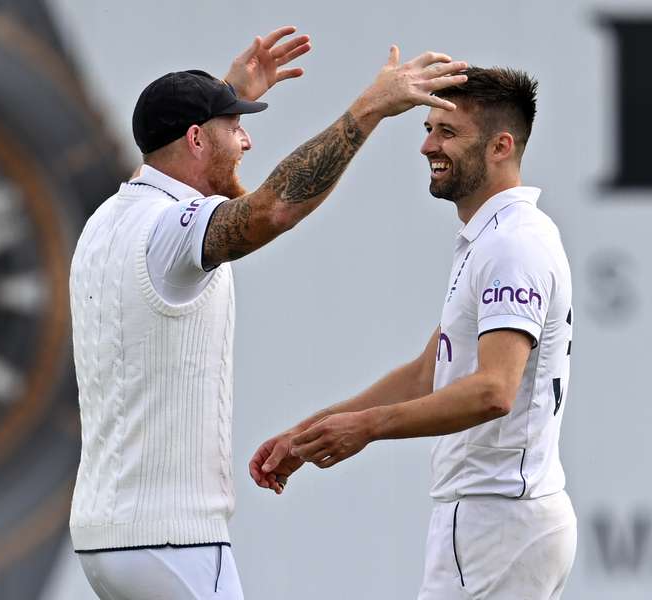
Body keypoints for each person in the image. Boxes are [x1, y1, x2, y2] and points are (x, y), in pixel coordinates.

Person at [68, 23, 468, 600]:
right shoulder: (169, 231)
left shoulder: (109, 220)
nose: (248, 143)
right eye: (235, 129)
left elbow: (197, 167)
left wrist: (224, 91)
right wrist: (371, 108)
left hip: (107, 536)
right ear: (197, 139)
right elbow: (272, 210)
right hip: (172, 541)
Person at [250, 66, 576, 600]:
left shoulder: (512, 244)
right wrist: (313, 432)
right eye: (428, 129)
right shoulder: (491, 238)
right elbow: (429, 373)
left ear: (500, 146)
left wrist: (369, 428)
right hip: (496, 516)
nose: (427, 145)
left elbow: (495, 390)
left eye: (447, 132)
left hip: (498, 519)